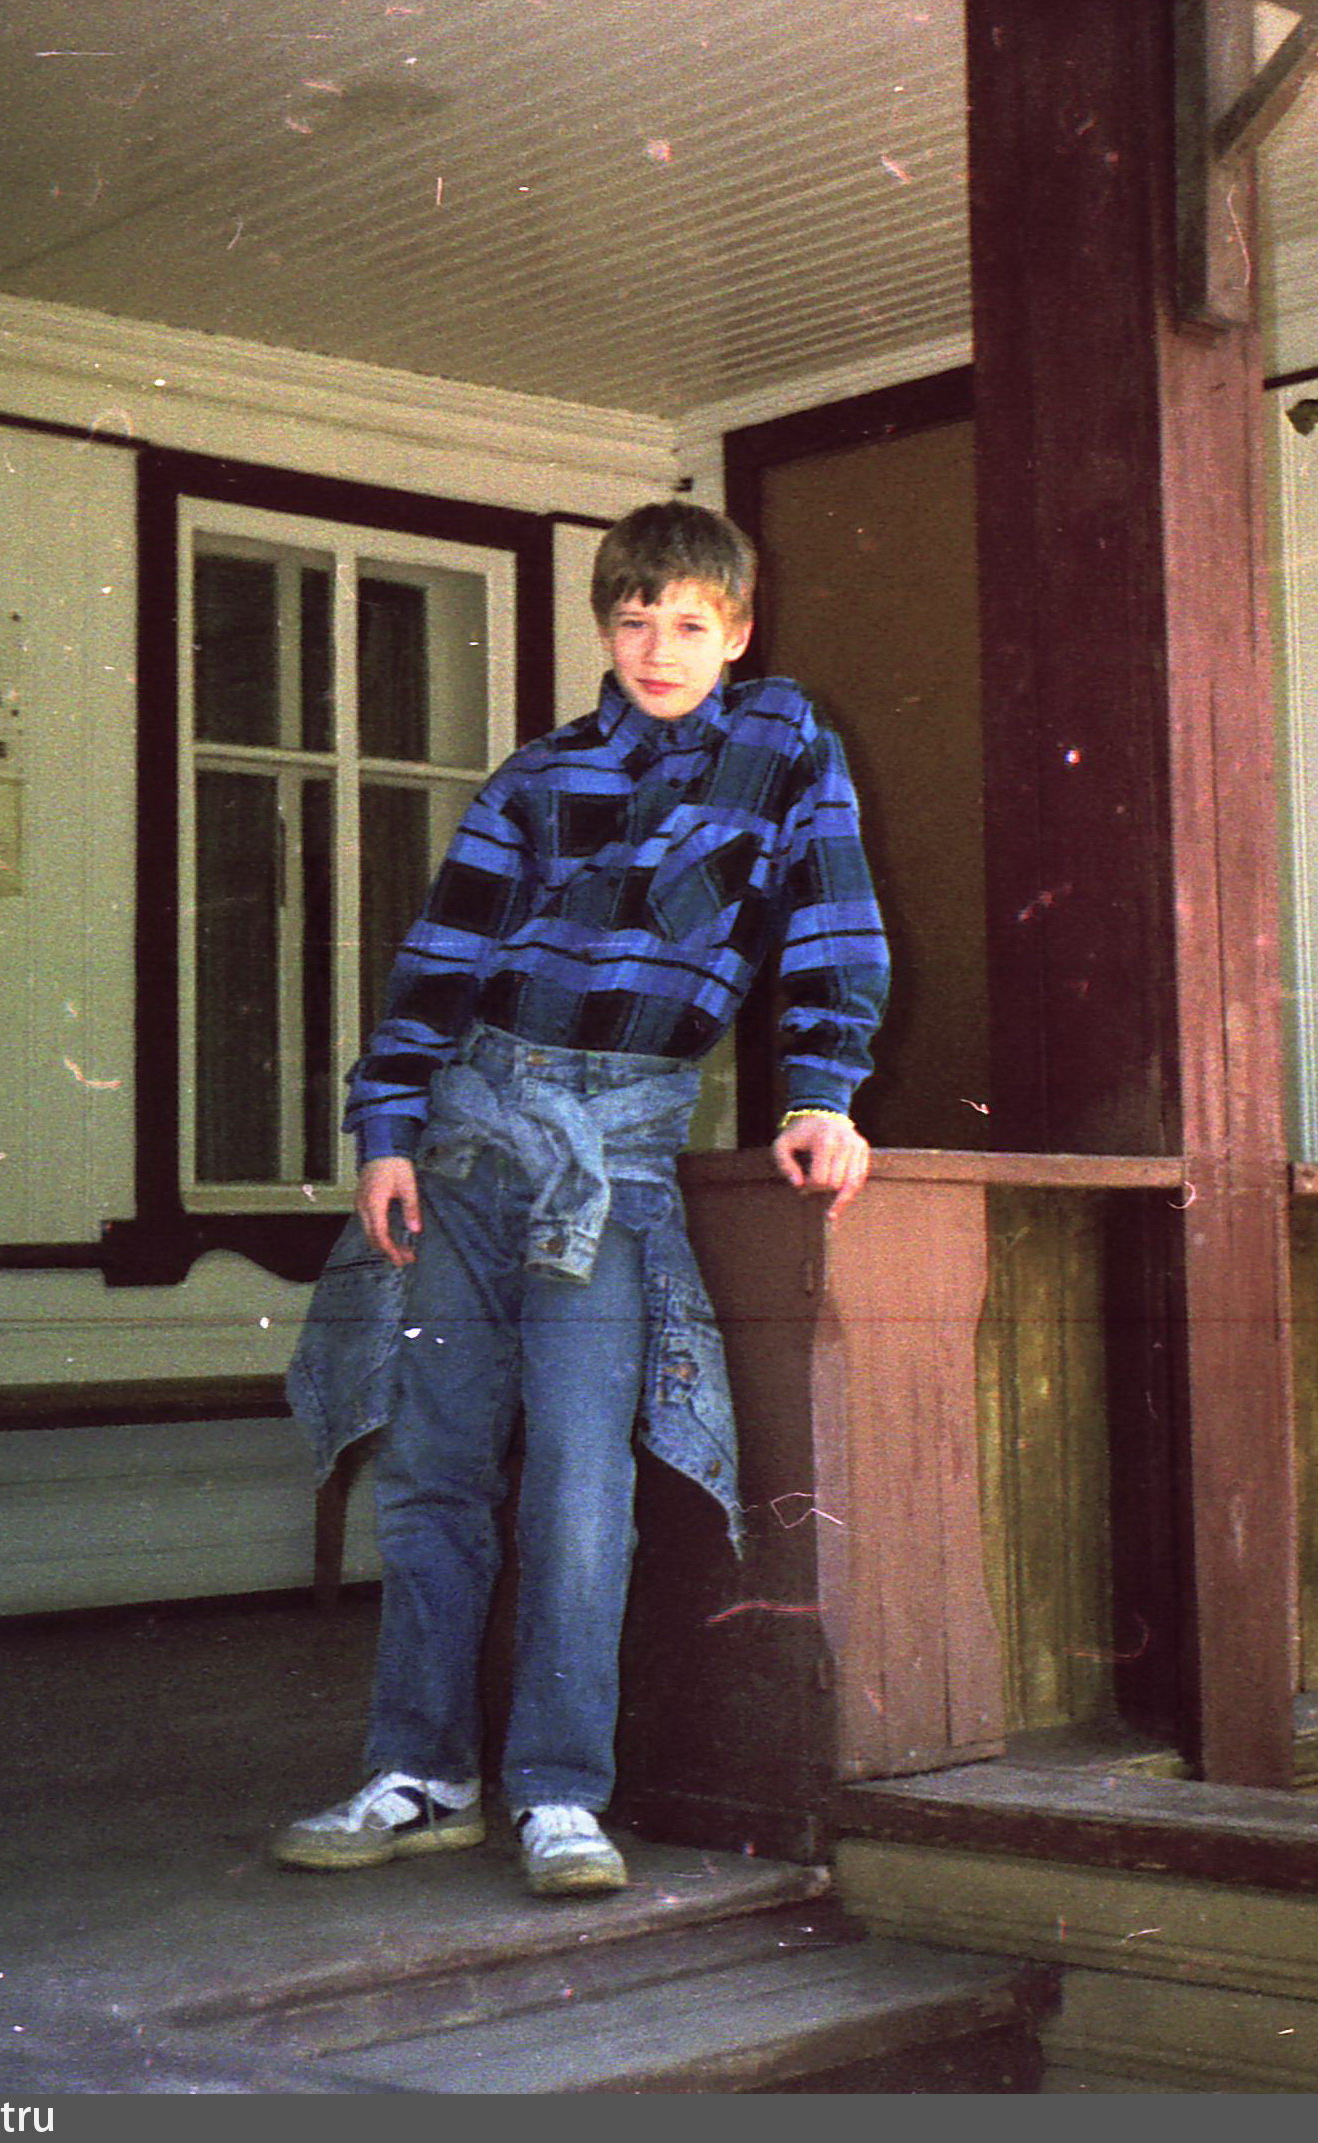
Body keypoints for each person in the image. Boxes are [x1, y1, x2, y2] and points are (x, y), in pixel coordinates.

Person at [276, 500, 888, 1898]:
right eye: (632, 622)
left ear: (737, 632)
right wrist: (386, 1129)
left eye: (689, 623)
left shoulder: (786, 744)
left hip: (612, 1158)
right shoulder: (537, 777)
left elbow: (829, 923)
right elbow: (439, 961)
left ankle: (559, 1792)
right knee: (433, 1469)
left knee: (577, 1476)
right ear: (603, 632)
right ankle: (420, 1772)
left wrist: (819, 1092)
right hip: (467, 1142)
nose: (658, 648)